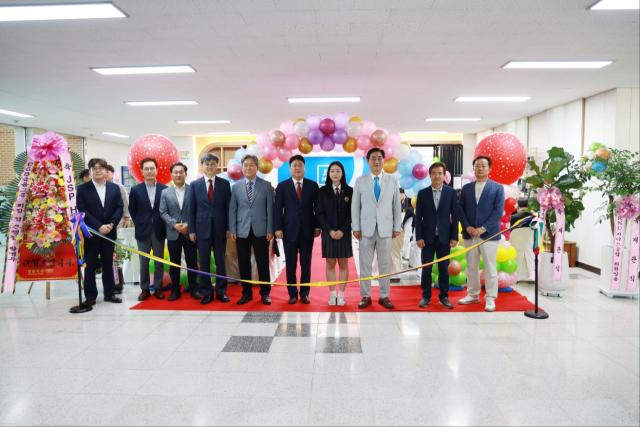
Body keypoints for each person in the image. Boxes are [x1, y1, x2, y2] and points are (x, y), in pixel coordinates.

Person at [352, 147, 402, 309]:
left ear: (384, 160)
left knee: (384, 265)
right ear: (367, 161)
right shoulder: (360, 181)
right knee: (365, 264)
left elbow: (396, 206)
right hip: (365, 229)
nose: (376, 161)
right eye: (373, 158)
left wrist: (396, 226)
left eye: (379, 158)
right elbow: (355, 206)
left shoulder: (392, 181)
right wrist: (356, 227)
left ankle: (384, 295)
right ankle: (365, 295)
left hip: (386, 229)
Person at [458, 156, 505, 312]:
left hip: (489, 235)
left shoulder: (497, 188)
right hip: (470, 234)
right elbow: (461, 210)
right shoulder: (466, 188)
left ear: (489, 169)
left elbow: (498, 211)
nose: (480, 168)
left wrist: (483, 228)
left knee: (490, 267)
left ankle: (490, 298)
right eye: (477, 165)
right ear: (473, 169)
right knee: (471, 266)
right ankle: (472, 294)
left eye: (484, 166)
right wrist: (468, 227)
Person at [274, 155, 320, 304]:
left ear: (304, 168)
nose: (298, 168)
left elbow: (317, 209)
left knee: (306, 264)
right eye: (295, 165)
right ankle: (292, 293)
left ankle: (305, 292)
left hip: (307, 230)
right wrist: (278, 228)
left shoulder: (313, 186)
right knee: (291, 264)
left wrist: (317, 226)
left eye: (300, 165)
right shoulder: (282, 186)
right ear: (290, 168)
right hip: (289, 231)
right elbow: (277, 210)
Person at [77, 158, 123, 305]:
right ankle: (90, 296)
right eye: (94, 168)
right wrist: (98, 227)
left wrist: (111, 224)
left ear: (106, 170)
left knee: (108, 263)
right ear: (90, 170)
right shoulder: (83, 189)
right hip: (91, 233)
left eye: (101, 168)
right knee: (90, 265)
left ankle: (109, 293)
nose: (97, 170)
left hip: (109, 232)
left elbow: (119, 207)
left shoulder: (114, 188)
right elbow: (83, 210)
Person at [229, 154, 274, 306]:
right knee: (243, 263)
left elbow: (270, 209)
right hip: (242, 230)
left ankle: (265, 293)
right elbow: (232, 210)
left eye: (251, 165)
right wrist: (233, 229)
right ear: (242, 168)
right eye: (245, 165)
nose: (248, 168)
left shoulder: (266, 185)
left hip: (261, 229)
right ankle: (246, 293)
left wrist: (270, 228)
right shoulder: (236, 188)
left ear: (256, 167)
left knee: (262, 263)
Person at [188, 153, 231, 305]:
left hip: (220, 230)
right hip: (201, 229)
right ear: (202, 166)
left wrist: (228, 228)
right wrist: (192, 230)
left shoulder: (224, 184)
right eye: (207, 164)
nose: (210, 166)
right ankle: (206, 292)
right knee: (204, 263)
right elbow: (191, 209)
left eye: (213, 163)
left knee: (221, 262)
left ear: (217, 165)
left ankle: (221, 292)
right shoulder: (194, 185)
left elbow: (228, 209)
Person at [415, 162, 459, 309]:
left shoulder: (451, 193)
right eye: (434, 173)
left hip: (445, 238)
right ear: (430, 175)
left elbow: (455, 216)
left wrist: (454, 237)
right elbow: (418, 218)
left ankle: (444, 297)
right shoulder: (422, 193)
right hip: (427, 239)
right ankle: (426, 296)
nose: (437, 176)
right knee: (426, 269)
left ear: (444, 175)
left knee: (444, 270)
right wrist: (419, 237)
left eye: (440, 173)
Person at [159, 162, 203, 302]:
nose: (178, 174)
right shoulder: (165, 192)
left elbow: (197, 211)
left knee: (192, 262)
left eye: (181, 172)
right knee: (174, 263)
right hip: (173, 233)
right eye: (175, 172)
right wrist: (175, 225)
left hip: (190, 232)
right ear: (171, 174)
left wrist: (189, 225)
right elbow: (163, 211)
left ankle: (194, 289)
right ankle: (175, 290)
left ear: (186, 174)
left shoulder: (193, 190)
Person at [129, 157, 168, 301]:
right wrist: (140, 222)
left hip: (159, 230)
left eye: (152, 168)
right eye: (146, 169)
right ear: (142, 171)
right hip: (143, 231)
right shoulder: (136, 190)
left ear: (157, 170)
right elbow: (132, 210)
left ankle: (158, 288)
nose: (150, 171)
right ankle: (145, 289)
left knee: (159, 260)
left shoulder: (165, 189)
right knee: (143, 262)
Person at [316, 161, 353, 306]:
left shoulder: (349, 191)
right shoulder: (322, 191)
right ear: (328, 174)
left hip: (344, 233)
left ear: (342, 173)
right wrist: (330, 230)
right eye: (332, 171)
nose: (335, 174)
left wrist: (343, 230)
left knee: (343, 263)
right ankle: (332, 294)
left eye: (338, 171)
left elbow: (352, 214)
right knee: (330, 263)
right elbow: (319, 214)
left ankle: (342, 295)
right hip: (328, 233)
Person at [105, 165, 131, 229]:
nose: (105, 174)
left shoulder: (120, 187)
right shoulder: (101, 187)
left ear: (113, 173)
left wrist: (127, 219)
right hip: (104, 222)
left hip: (119, 221)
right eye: (104, 172)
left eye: (107, 172)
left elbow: (125, 202)